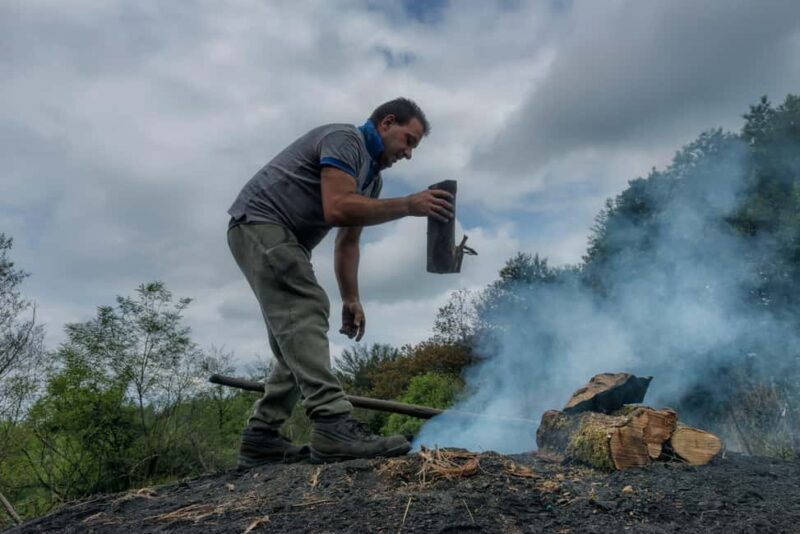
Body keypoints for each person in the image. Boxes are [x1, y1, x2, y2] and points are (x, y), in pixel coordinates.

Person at [227, 97, 454, 467]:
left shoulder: (372, 181)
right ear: (387, 123)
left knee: (295, 339)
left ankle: (262, 436)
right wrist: (409, 205)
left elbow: (347, 242)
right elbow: (336, 208)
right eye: (409, 141)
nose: (409, 153)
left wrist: (351, 298)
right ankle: (333, 424)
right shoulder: (345, 140)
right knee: (307, 309)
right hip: (260, 223)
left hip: (284, 239)